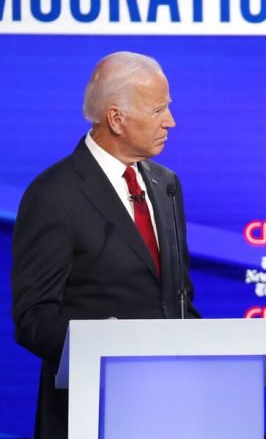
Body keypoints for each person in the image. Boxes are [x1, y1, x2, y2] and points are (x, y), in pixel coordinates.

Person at [11, 51, 200, 438]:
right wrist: (99, 341)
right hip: (90, 412)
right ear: (117, 118)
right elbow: (33, 318)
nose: (171, 121)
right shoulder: (54, 194)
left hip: (169, 410)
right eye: (159, 109)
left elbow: (177, 300)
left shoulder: (166, 185)